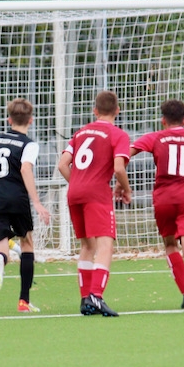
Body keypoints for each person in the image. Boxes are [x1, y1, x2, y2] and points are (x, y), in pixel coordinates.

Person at [129, 99, 184, 309]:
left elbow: (127, 153)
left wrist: (120, 181)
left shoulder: (156, 137)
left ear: (163, 120)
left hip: (164, 199)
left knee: (170, 245)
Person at [57, 90, 132, 317]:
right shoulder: (118, 134)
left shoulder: (80, 132)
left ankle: (85, 299)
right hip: (97, 194)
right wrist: (126, 189)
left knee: (87, 246)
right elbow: (119, 168)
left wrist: (78, 182)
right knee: (105, 244)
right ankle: (96, 296)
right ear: (117, 111)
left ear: (95, 111)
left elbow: (62, 164)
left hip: (74, 193)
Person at [0, 97, 52, 313]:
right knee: (26, 243)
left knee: (1, 248)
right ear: (31, 120)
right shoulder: (28, 144)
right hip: (17, 198)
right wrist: (36, 201)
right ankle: (23, 302)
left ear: (9, 120)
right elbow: (26, 169)